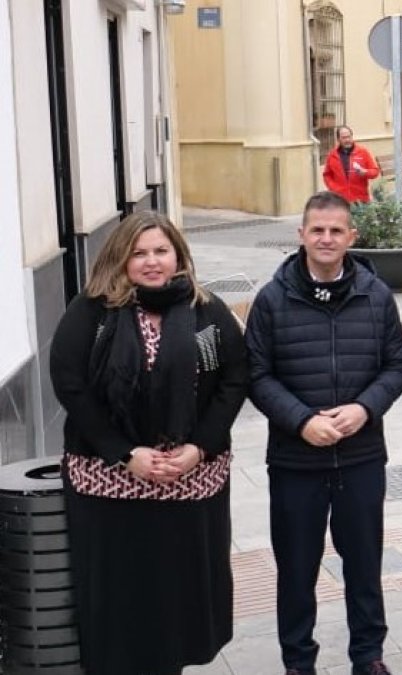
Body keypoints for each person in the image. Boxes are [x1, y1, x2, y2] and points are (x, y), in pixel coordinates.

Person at [49, 211, 247, 674]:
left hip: (188, 483)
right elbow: (70, 384)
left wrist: (199, 447)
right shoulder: (93, 311)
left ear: (178, 253)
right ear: (120, 258)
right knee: (122, 602)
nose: (152, 262)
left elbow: (234, 380)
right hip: (111, 488)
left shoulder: (207, 311)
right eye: (139, 253)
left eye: (161, 250)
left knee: (176, 601)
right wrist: (125, 453)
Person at [245, 191, 402, 675]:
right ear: (301, 235)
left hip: (360, 456)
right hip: (296, 462)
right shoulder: (273, 299)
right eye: (317, 229)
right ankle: (298, 662)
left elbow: (397, 365)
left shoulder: (375, 296)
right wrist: (301, 420)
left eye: (336, 230)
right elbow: (256, 375)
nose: (326, 238)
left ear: (351, 237)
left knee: (364, 565)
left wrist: (364, 408)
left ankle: (369, 657)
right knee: (296, 570)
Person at [322, 125, 381, 203]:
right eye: (344, 138)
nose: (347, 140)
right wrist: (333, 188)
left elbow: (375, 172)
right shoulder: (332, 155)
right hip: (340, 199)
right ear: (338, 139)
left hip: (360, 200)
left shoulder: (363, 152)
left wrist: (365, 172)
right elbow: (327, 175)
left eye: (349, 137)